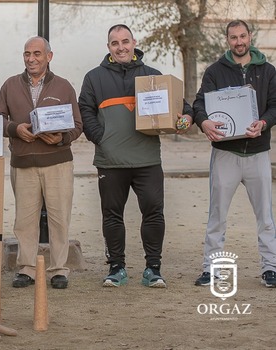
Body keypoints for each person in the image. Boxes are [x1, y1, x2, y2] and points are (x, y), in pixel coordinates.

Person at [78, 24, 193, 288]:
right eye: (115, 43)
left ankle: (153, 269)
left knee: (154, 213)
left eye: (125, 41)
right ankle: (116, 268)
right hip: (111, 161)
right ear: (108, 47)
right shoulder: (94, 78)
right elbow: (84, 110)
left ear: (134, 43)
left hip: (148, 160)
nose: (121, 47)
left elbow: (182, 107)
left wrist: (185, 119)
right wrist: (101, 137)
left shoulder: (152, 76)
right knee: (112, 215)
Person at [0, 36, 83, 289]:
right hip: (22, 163)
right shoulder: (10, 85)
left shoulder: (64, 87)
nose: (31, 59)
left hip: (57, 163)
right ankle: (27, 268)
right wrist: (14, 128)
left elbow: (77, 126)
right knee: (24, 219)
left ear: (49, 57)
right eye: (26, 54)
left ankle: (58, 270)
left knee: (59, 217)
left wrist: (61, 138)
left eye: (37, 54)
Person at [192, 20, 276, 288]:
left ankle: (270, 268)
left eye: (242, 36)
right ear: (227, 40)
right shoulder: (215, 71)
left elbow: (275, 106)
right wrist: (203, 122)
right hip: (225, 153)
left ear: (250, 37)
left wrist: (263, 123)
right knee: (217, 214)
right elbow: (199, 103)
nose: (238, 41)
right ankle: (211, 268)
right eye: (233, 37)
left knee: (265, 215)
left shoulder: (268, 71)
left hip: (258, 153)